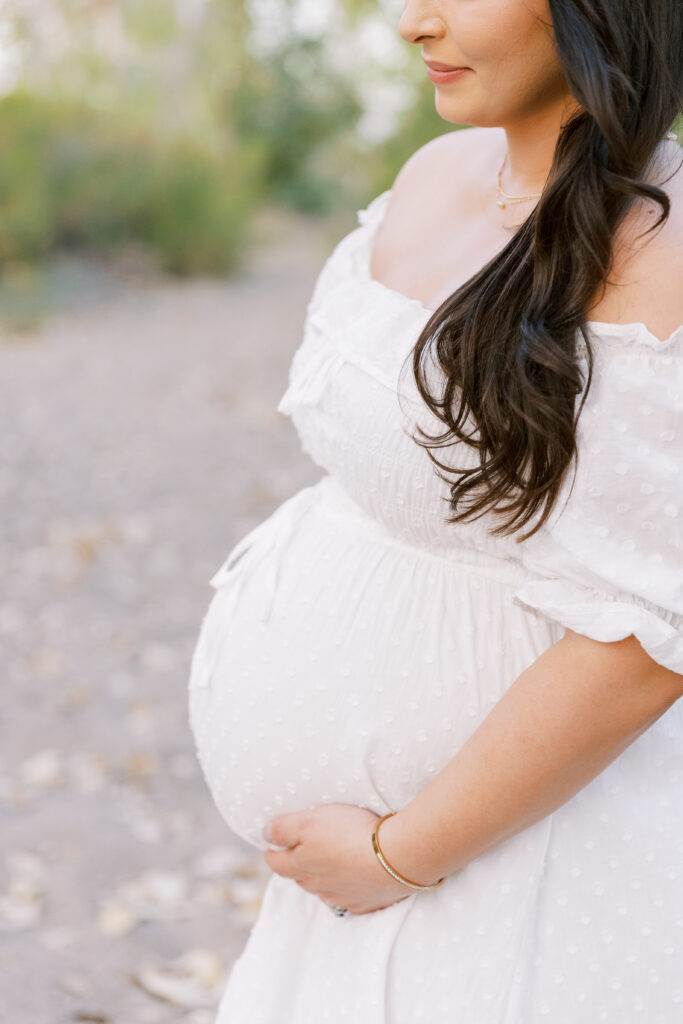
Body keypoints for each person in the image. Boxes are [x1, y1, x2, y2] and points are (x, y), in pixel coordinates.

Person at [187, 0, 683, 1020]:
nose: (414, 22)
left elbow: (648, 636)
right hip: (347, 886)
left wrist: (399, 852)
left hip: (507, 871)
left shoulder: (660, 252)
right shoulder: (433, 171)